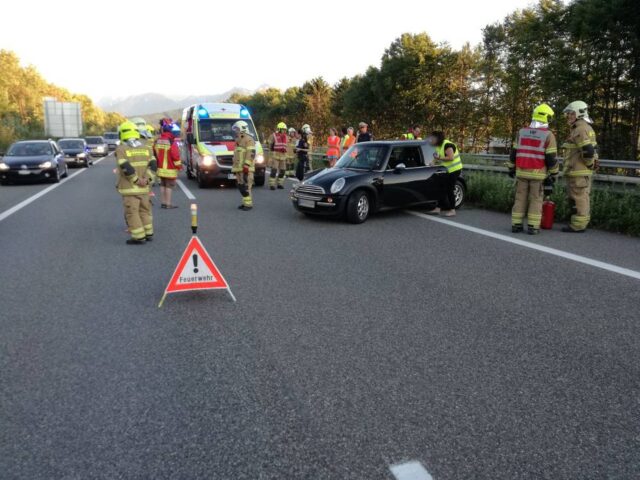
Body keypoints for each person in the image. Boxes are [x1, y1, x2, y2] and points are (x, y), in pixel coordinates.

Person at [507, 104, 559, 234]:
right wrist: (554, 173)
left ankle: (516, 225)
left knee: (520, 198)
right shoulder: (548, 135)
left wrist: (511, 168)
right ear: (546, 118)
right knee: (536, 199)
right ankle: (533, 227)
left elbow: (513, 152)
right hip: (538, 173)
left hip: (521, 171)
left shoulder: (521, 132)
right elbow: (551, 158)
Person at [115, 120, 157, 244]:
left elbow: (125, 167)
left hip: (130, 188)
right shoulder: (147, 148)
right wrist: (147, 179)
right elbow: (154, 165)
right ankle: (148, 233)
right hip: (145, 188)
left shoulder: (121, 149)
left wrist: (137, 180)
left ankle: (138, 236)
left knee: (132, 213)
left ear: (122, 134)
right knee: (145, 210)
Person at [561, 100, 598, 233]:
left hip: (579, 172)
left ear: (579, 114)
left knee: (580, 197)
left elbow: (588, 151)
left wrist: (589, 165)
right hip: (576, 171)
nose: (568, 116)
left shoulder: (580, 129)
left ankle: (578, 225)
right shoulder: (582, 128)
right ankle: (575, 221)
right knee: (577, 197)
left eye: (571, 113)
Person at [428, 131, 463, 217]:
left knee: (449, 189)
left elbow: (450, 158)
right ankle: (438, 208)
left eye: (433, 138)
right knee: (441, 188)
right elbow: (436, 156)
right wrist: (432, 162)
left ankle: (452, 210)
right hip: (447, 170)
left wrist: (439, 158)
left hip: (454, 170)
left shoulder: (447, 145)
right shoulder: (438, 146)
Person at [153, 119, 182, 209]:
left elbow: (154, 153)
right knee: (169, 185)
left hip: (160, 167)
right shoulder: (172, 142)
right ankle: (168, 204)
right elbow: (175, 156)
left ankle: (163, 202)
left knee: (162, 184)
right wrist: (179, 167)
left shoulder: (157, 141)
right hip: (170, 168)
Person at [232, 120, 256, 211]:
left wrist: (246, 165)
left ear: (242, 129)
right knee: (241, 186)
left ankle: (248, 205)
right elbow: (236, 156)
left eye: (237, 129)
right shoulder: (238, 139)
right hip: (239, 168)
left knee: (246, 187)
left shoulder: (249, 139)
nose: (236, 131)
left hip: (246, 168)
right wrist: (235, 169)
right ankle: (245, 203)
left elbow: (251, 153)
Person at [268, 121, 288, 190]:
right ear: (279, 129)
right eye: (283, 129)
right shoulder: (273, 135)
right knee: (274, 170)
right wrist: (270, 156)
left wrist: (287, 157)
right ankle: (272, 184)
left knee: (283, 170)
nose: (284, 131)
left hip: (283, 156)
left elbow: (287, 147)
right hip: (275, 156)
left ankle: (280, 184)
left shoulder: (286, 137)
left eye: (285, 130)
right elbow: (270, 145)